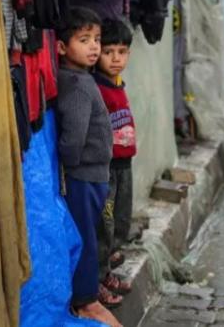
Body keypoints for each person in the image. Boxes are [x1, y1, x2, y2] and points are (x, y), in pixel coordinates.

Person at [56, 7, 122, 326]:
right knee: (86, 237)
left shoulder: (82, 77)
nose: (94, 46)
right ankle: (85, 301)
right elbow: (73, 137)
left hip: (93, 175)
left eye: (96, 39)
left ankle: (87, 293)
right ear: (60, 47)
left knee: (90, 234)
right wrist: (68, 165)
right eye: (84, 40)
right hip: (83, 177)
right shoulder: (78, 85)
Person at [94, 19, 136, 301]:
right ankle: (95, 279)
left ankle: (107, 267)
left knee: (121, 218)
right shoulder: (96, 88)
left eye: (122, 52)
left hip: (124, 166)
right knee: (103, 224)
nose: (116, 59)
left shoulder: (118, 85)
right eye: (109, 52)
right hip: (106, 168)